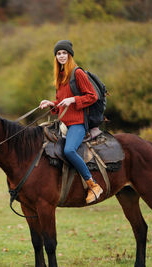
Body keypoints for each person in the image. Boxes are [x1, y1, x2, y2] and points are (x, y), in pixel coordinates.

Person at [39, 40, 103, 204]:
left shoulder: (77, 73)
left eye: (64, 53)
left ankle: (93, 184)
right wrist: (51, 103)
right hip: (63, 123)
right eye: (58, 53)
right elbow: (62, 103)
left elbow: (92, 96)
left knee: (69, 151)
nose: (61, 56)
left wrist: (73, 100)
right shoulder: (60, 77)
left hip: (78, 124)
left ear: (70, 55)